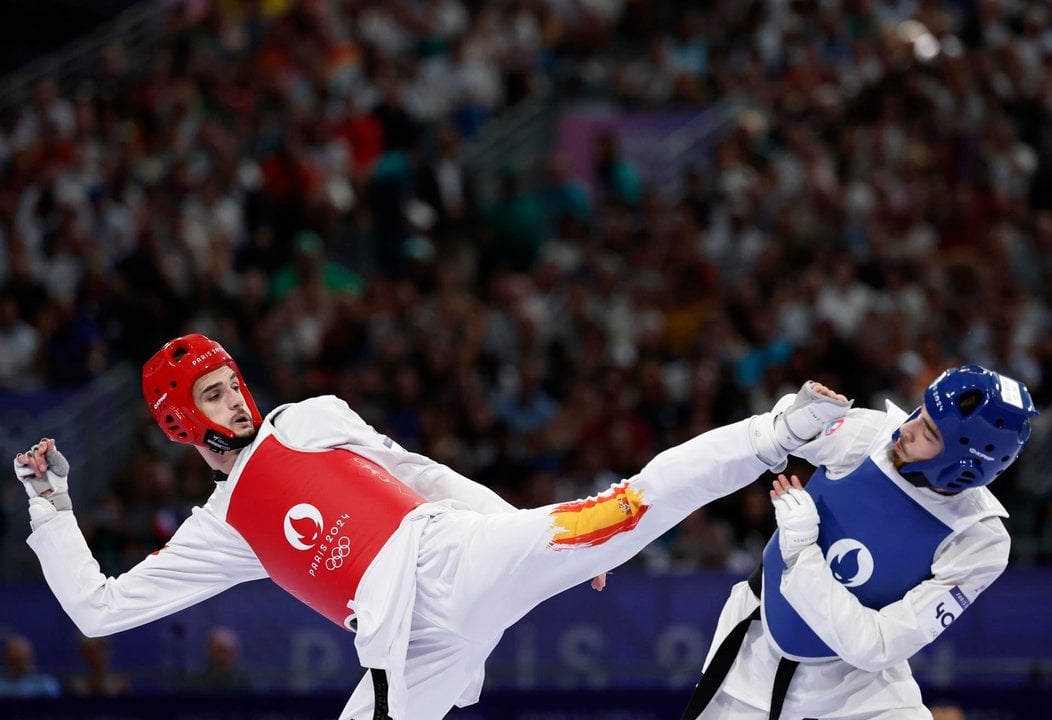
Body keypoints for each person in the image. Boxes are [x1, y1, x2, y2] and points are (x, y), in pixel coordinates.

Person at [14, 333, 850, 720]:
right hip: (409, 653)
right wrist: (52, 508)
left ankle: (780, 431)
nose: (235, 398)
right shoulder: (221, 529)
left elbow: (420, 475)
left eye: (231, 381)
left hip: (452, 556)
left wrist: (530, 533)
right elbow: (98, 610)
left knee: (624, 508)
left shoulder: (309, 417)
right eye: (212, 395)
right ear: (178, 424)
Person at [680, 364, 1037, 720]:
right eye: (921, 411)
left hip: (860, 693)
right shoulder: (868, 436)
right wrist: (797, 411)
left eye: (928, 431)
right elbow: (770, 437)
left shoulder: (977, 540)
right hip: (752, 656)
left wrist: (802, 553)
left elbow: (876, 646)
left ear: (963, 465)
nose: (906, 428)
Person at [0, 633, 61, 698]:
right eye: (13, 659)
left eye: (21, 659)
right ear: (6, 657)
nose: (18, 664)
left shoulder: (45, 684)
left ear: (31, 658)